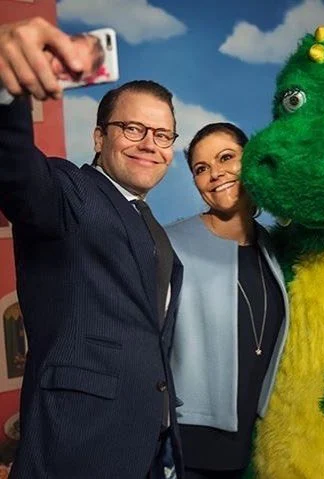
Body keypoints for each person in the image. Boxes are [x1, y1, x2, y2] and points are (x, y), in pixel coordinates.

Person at [0, 17, 184, 479]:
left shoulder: (152, 226)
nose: (150, 145)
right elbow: (14, 167)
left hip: (146, 451)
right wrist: (6, 88)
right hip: (76, 448)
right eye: (133, 129)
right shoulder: (69, 191)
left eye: (163, 136)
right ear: (100, 138)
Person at [165, 123, 290, 479]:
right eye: (201, 169)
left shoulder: (275, 248)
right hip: (191, 450)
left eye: (226, 158)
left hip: (260, 447)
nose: (215, 174)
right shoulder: (170, 243)